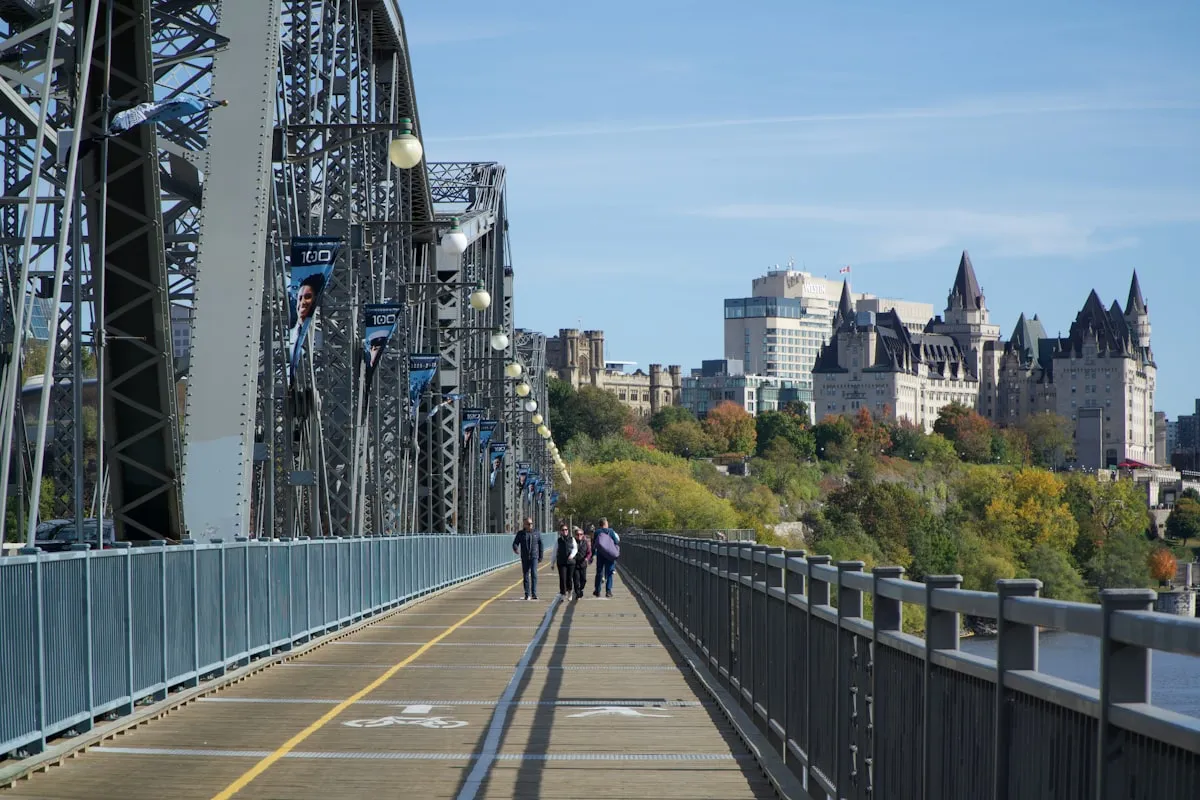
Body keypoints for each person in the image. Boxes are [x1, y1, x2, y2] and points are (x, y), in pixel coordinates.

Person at [512, 517, 543, 600]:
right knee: (525, 575)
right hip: (525, 557)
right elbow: (515, 543)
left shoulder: (536, 533)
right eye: (529, 524)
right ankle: (527, 594)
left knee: (534, 574)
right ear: (525, 525)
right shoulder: (521, 533)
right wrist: (515, 548)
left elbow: (541, 544)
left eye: (531, 523)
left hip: (534, 556)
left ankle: (534, 593)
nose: (531, 525)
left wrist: (540, 556)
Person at [592, 517, 620, 598]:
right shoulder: (610, 531)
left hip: (600, 554)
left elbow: (594, 544)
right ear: (605, 523)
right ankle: (608, 591)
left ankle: (597, 590)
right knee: (609, 573)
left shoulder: (597, 532)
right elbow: (616, 541)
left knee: (599, 573)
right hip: (609, 555)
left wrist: (592, 555)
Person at [554, 524, 578, 599]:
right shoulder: (559, 540)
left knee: (569, 578)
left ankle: (570, 591)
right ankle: (563, 593)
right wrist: (552, 563)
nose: (565, 531)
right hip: (561, 562)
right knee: (562, 578)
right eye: (563, 530)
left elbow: (575, 549)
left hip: (570, 562)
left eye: (566, 530)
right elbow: (555, 551)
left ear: (568, 531)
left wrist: (572, 555)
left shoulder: (572, 539)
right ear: (560, 531)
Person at [572, 526, 592, 599]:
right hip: (575, 564)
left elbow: (589, 552)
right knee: (576, 581)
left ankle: (581, 589)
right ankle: (577, 592)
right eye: (577, 534)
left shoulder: (585, 543)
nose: (579, 536)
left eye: (581, 534)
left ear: (583, 535)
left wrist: (587, 558)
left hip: (583, 564)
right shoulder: (572, 542)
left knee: (583, 580)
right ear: (575, 535)